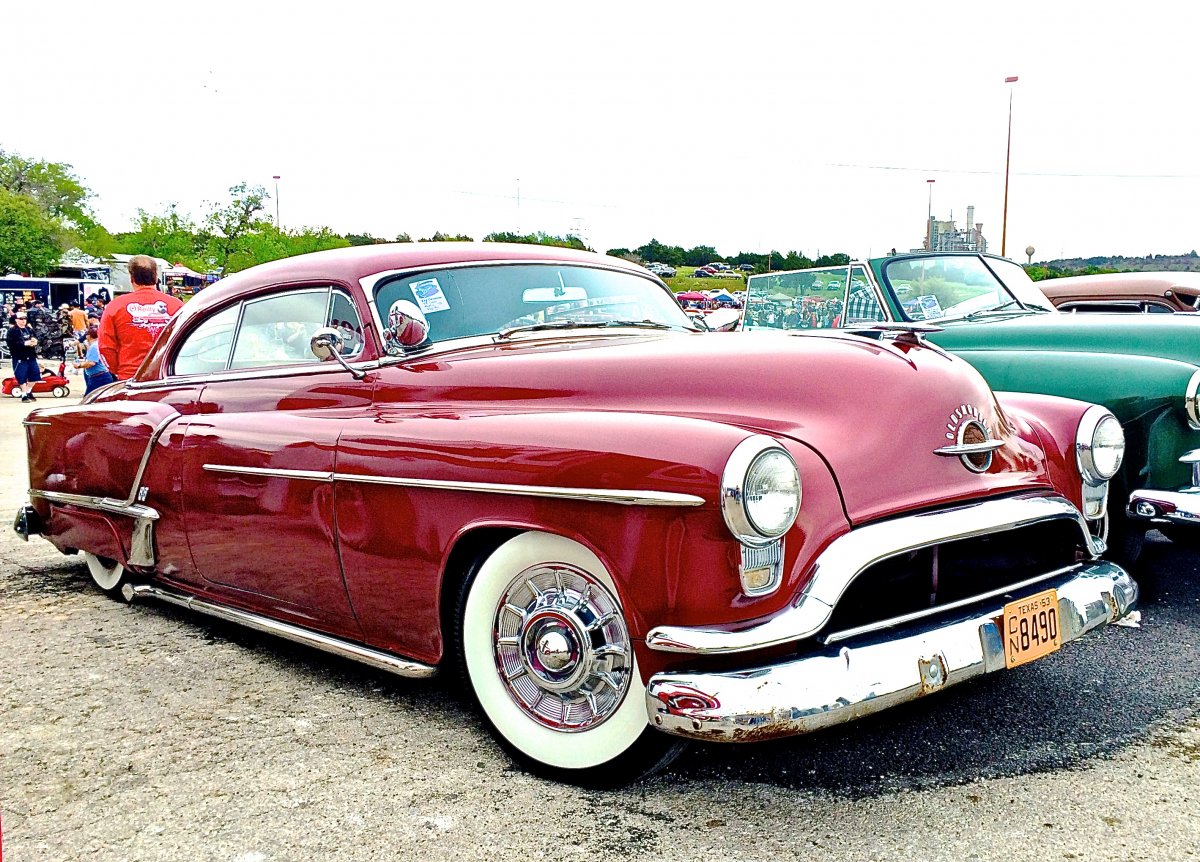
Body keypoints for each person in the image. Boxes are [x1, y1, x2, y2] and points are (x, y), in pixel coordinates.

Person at [98, 255, 183, 380]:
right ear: (156, 277)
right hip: (169, 376)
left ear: (131, 278)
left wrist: (118, 370)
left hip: (131, 377)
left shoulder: (115, 306)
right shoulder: (177, 306)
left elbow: (105, 347)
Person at [5, 312, 42, 402]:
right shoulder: (12, 331)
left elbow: (36, 338)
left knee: (35, 375)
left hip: (31, 356)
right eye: (21, 319)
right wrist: (24, 343)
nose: (23, 321)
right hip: (19, 357)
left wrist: (35, 341)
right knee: (21, 376)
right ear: (16, 320)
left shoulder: (28, 329)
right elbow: (10, 344)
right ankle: (24, 395)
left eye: (24, 319)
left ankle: (28, 391)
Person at [75, 325, 115, 393]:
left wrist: (79, 365)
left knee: (89, 400)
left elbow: (91, 363)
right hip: (99, 376)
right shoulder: (96, 344)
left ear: (88, 336)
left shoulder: (94, 346)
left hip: (99, 378)